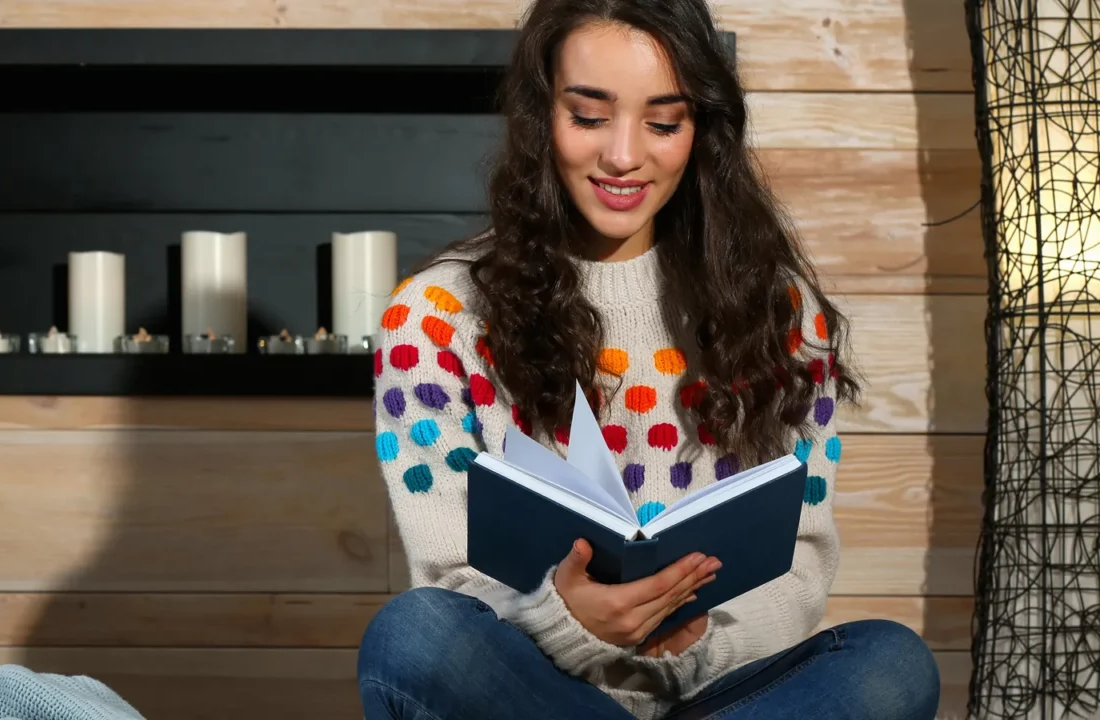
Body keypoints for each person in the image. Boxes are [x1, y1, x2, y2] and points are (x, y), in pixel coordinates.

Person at [357, 0, 942, 717]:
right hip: (536, 694)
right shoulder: (434, 314)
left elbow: (799, 569)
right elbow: (448, 582)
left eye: (664, 122)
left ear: (701, 130)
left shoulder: (783, 313)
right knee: (413, 635)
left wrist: (687, 644)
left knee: (889, 662)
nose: (625, 156)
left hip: (718, 693)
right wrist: (564, 618)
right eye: (590, 116)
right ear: (542, 115)